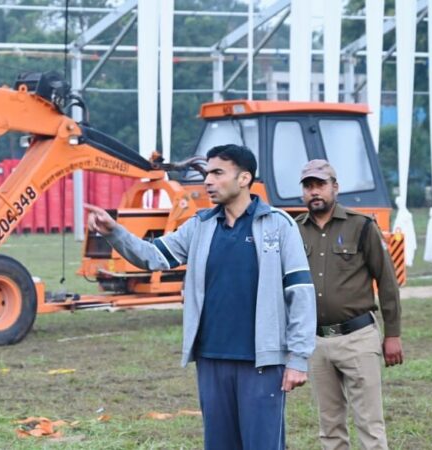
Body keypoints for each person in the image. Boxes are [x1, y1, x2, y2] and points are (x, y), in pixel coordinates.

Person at [85, 144, 316, 449]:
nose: (208, 181)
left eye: (218, 173)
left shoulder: (278, 225)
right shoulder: (200, 225)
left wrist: (298, 358)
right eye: (207, 173)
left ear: (244, 178)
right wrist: (114, 231)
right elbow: (153, 256)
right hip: (211, 359)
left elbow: (300, 292)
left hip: (262, 361)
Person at [295, 159, 403, 450]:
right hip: (316, 341)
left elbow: (387, 281)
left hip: (357, 337)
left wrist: (393, 334)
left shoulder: (361, 226)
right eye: (308, 186)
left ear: (335, 187)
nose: (314, 192)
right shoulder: (295, 230)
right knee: (329, 426)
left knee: (370, 424)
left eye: (320, 185)